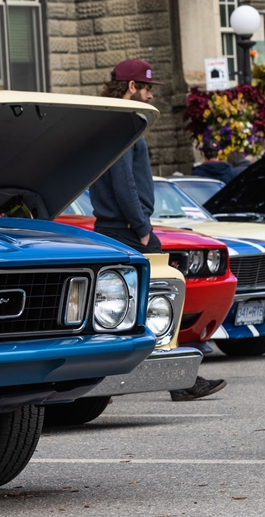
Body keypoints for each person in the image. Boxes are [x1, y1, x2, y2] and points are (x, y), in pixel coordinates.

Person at [90, 59, 227, 402]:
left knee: (129, 303)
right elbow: (125, 186)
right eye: (148, 88)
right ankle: (180, 381)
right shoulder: (124, 125)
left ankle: (106, 382)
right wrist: (142, 230)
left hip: (115, 227)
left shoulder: (111, 123)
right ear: (131, 87)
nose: (152, 95)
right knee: (162, 299)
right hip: (125, 228)